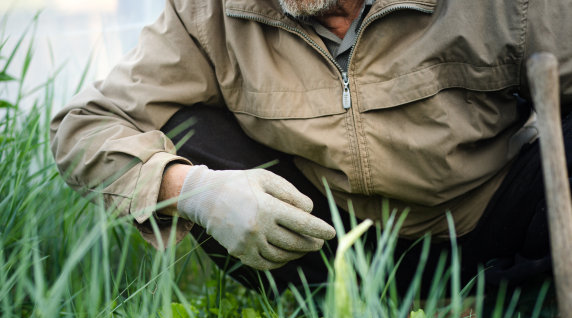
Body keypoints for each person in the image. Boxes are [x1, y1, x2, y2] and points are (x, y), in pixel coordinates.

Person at [50, 0, 572, 296]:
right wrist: (193, 190)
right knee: (184, 130)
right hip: (326, 246)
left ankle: (509, 303)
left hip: (492, 219)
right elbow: (81, 125)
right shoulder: (204, 12)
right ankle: (352, 317)